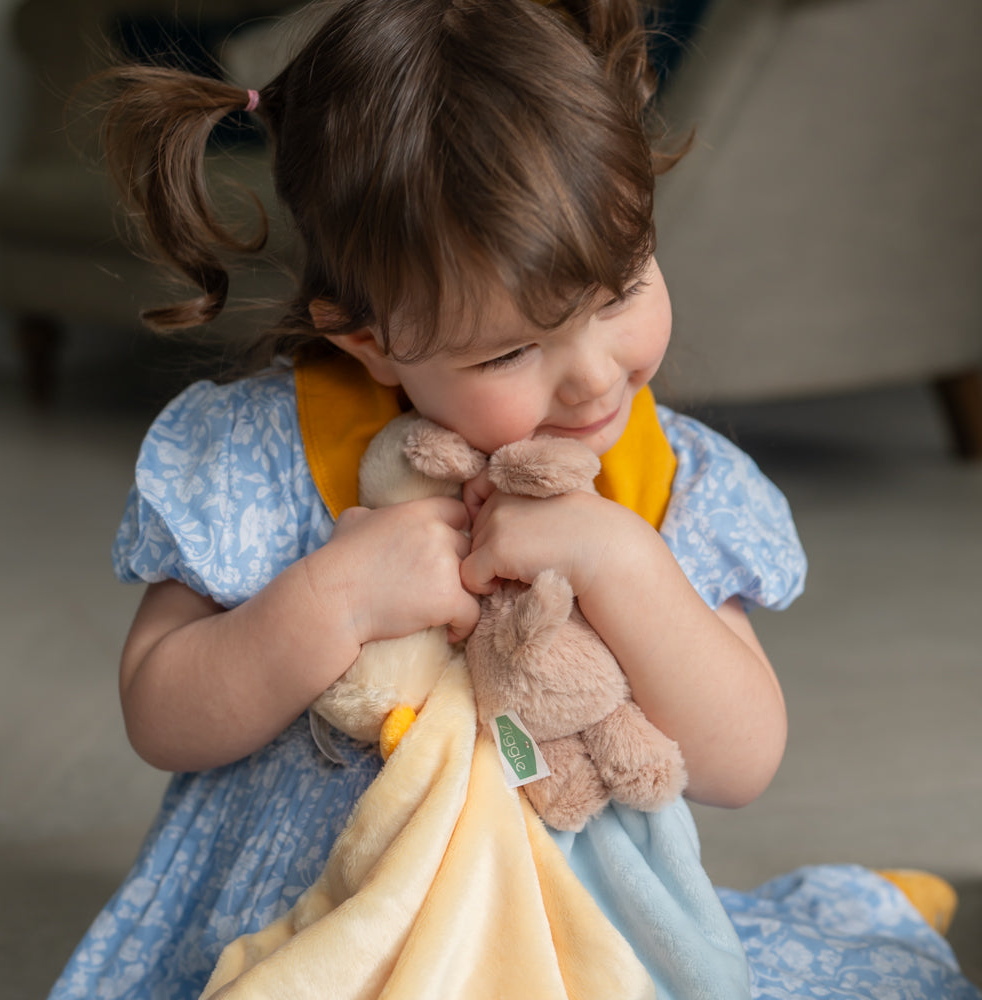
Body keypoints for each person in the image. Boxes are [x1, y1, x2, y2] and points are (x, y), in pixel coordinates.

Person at [48, 1, 979, 998]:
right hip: (313, 929)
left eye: (621, 289)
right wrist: (337, 600)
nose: (590, 380)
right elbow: (162, 710)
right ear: (367, 338)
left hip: (581, 936)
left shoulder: (668, 481)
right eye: (509, 350)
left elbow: (741, 760)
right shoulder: (263, 457)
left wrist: (627, 565)